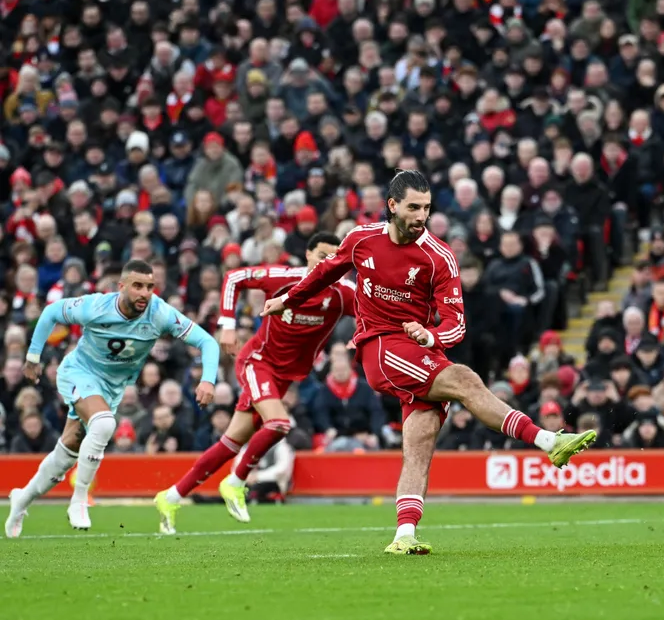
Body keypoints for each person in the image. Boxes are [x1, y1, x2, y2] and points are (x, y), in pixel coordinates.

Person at [261, 170, 596, 555]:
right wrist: (289, 299)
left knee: (419, 445)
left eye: (427, 208)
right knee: (466, 380)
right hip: (380, 348)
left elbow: (456, 323)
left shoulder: (439, 257)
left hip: (420, 349)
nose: (422, 216)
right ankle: (548, 440)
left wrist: (432, 335)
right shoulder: (360, 239)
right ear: (392, 206)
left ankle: (404, 536)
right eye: (413, 207)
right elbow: (325, 272)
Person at [153, 233, 353, 534]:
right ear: (308, 255)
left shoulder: (342, 294)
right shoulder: (283, 277)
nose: (328, 264)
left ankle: (170, 497)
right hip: (257, 362)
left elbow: (375, 311)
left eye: (334, 259)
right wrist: (228, 325)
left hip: (285, 376)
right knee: (279, 424)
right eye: (322, 256)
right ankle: (235, 483)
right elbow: (234, 278)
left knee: (230, 443)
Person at [6, 261, 219, 538]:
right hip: (79, 372)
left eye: (150, 287)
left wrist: (208, 379)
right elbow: (50, 312)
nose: (145, 293)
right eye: (137, 286)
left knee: (71, 445)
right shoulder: (96, 306)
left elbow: (208, 343)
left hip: (111, 387)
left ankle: (22, 500)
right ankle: (80, 499)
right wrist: (33, 356)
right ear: (121, 287)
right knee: (105, 424)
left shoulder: (160, 313)